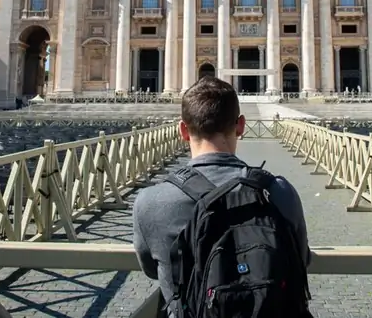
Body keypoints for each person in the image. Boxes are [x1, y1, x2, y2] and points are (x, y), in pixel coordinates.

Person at [132, 76, 312, 317]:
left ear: (183, 130)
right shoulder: (280, 192)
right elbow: (301, 258)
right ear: (240, 126)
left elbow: (151, 269)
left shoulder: (149, 201)